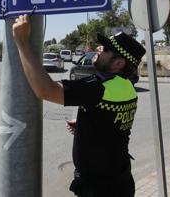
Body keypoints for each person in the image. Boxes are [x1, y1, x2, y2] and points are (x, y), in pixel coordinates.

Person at [12, 14, 146, 197]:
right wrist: (86, 124)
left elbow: (45, 90)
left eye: (105, 48)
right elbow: (111, 123)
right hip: (119, 181)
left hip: (100, 189)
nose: (98, 48)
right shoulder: (127, 87)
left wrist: (21, 42)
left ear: (118, 63)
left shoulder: (99, 88)